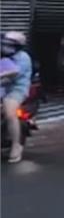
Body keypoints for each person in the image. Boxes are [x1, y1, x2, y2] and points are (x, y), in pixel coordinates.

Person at [1, 32, 32, 164]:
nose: (5, 47)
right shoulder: (3, 56)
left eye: (9, 45)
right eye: (4, 44)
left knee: (9, 112)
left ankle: (16, 145)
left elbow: (13, 74)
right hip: (2, 88)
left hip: (17, 89)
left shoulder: (23, 58)